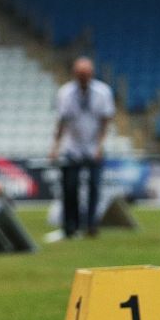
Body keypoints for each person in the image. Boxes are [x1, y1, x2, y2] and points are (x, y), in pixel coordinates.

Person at [50, 56, 115, 238]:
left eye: (85, 74)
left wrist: (100, 147)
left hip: (94, 146)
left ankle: (91, 225)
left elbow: (105, 122)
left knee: (94, 187)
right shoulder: (65, 93)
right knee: (70, 187)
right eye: (80, 74)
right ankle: (71, 225)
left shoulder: (103, 92)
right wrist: (55, 146)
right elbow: (61, 123)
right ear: (74, 74)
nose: (83, 78)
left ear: (91, 74)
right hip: (73, 147)